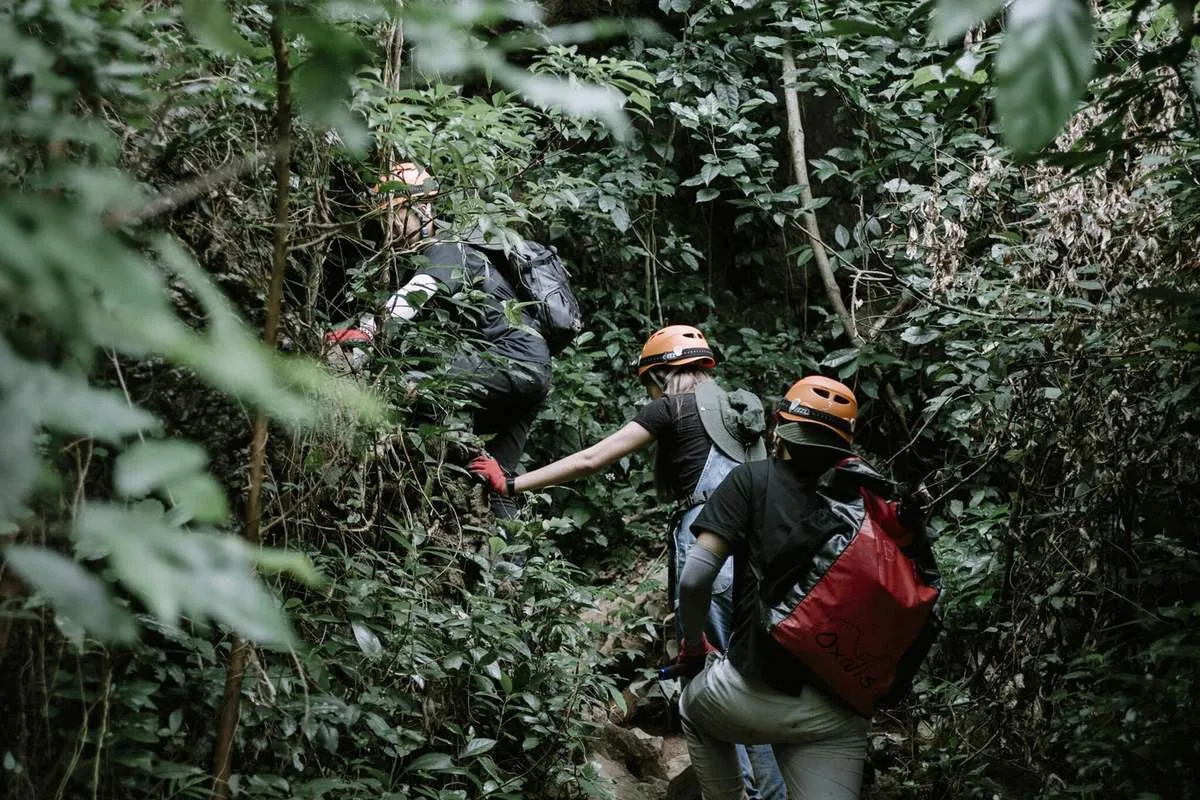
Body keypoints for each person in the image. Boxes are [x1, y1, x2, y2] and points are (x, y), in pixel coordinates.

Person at [468, 324, 786, 800]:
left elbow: (592, 459)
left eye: (650, 382)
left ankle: (741, 793)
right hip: (762, 561)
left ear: (663, 373)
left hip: (709, 549)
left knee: (716, 685)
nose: (651, 390)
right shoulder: (743, 412)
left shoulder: (671, 409)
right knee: (748, 683)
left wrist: (511, 484)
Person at [674, 375, 875, 799]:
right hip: (840, 708)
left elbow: (694, 579)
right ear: (846, 443)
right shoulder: (871, 498)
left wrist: (694, 647)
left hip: (753, 690)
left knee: (692, 707)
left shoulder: (752, 480)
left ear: (779, 428)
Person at [326, 162, 553, 519]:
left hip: (512, 362)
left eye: (393, 218)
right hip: (532, 371)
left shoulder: (447, 248)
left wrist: (365, 333)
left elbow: (417, 293)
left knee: (416, 386)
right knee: (494, 480)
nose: (388, 230)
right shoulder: (442, 254)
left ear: (421, 208)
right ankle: (510, 572)